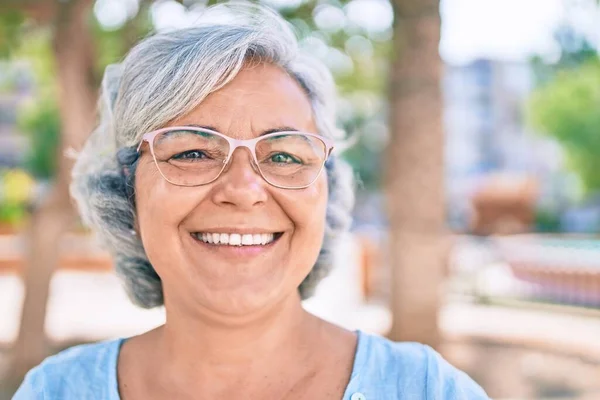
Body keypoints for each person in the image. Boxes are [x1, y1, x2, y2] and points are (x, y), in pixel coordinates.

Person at [14, 3, 489, 399]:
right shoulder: (54, 390)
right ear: (126, 191)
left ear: (326, 191)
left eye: (283, 154)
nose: (242, 189)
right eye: (193, 151)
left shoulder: (429, 390)